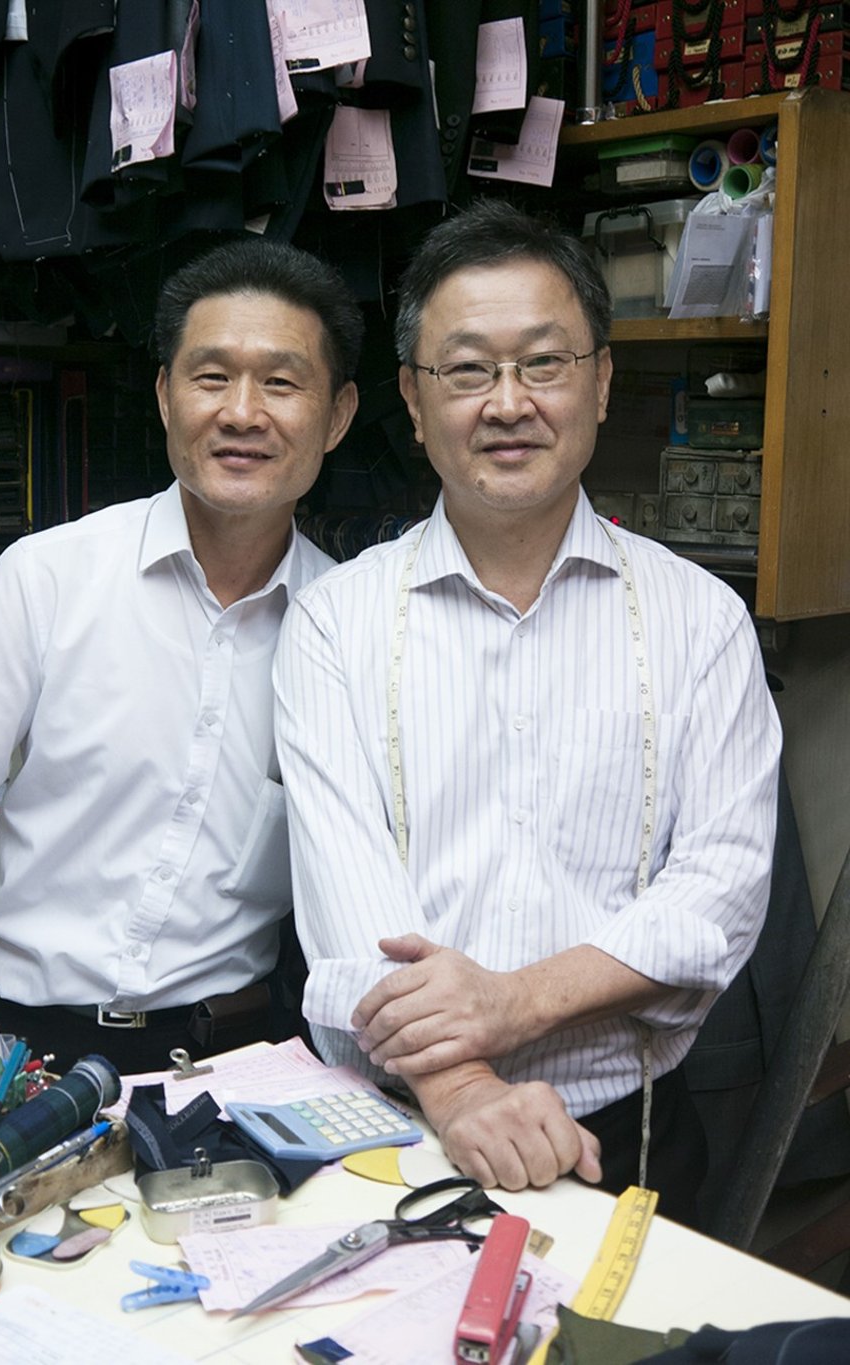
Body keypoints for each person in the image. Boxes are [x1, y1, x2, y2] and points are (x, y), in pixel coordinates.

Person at [273, 200, 781, 1223]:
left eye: (542, 363)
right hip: (398, 1143)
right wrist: (461, 1090)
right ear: (414, 405)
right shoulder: (333, 622)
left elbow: (716, 898)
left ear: (600, 380)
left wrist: (511, 1001)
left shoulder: (701, 620)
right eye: (465, 370)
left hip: (626, 1143)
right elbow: (351, 913)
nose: (507, 402)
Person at [0, 237, 361, 1075]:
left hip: (229, 1059)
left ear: (337, 416)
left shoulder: (345, 626)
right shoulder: (50, 577)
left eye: (282, 382)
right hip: (12, 1046)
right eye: (211, 376)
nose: (243, 412)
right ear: (164, 395)